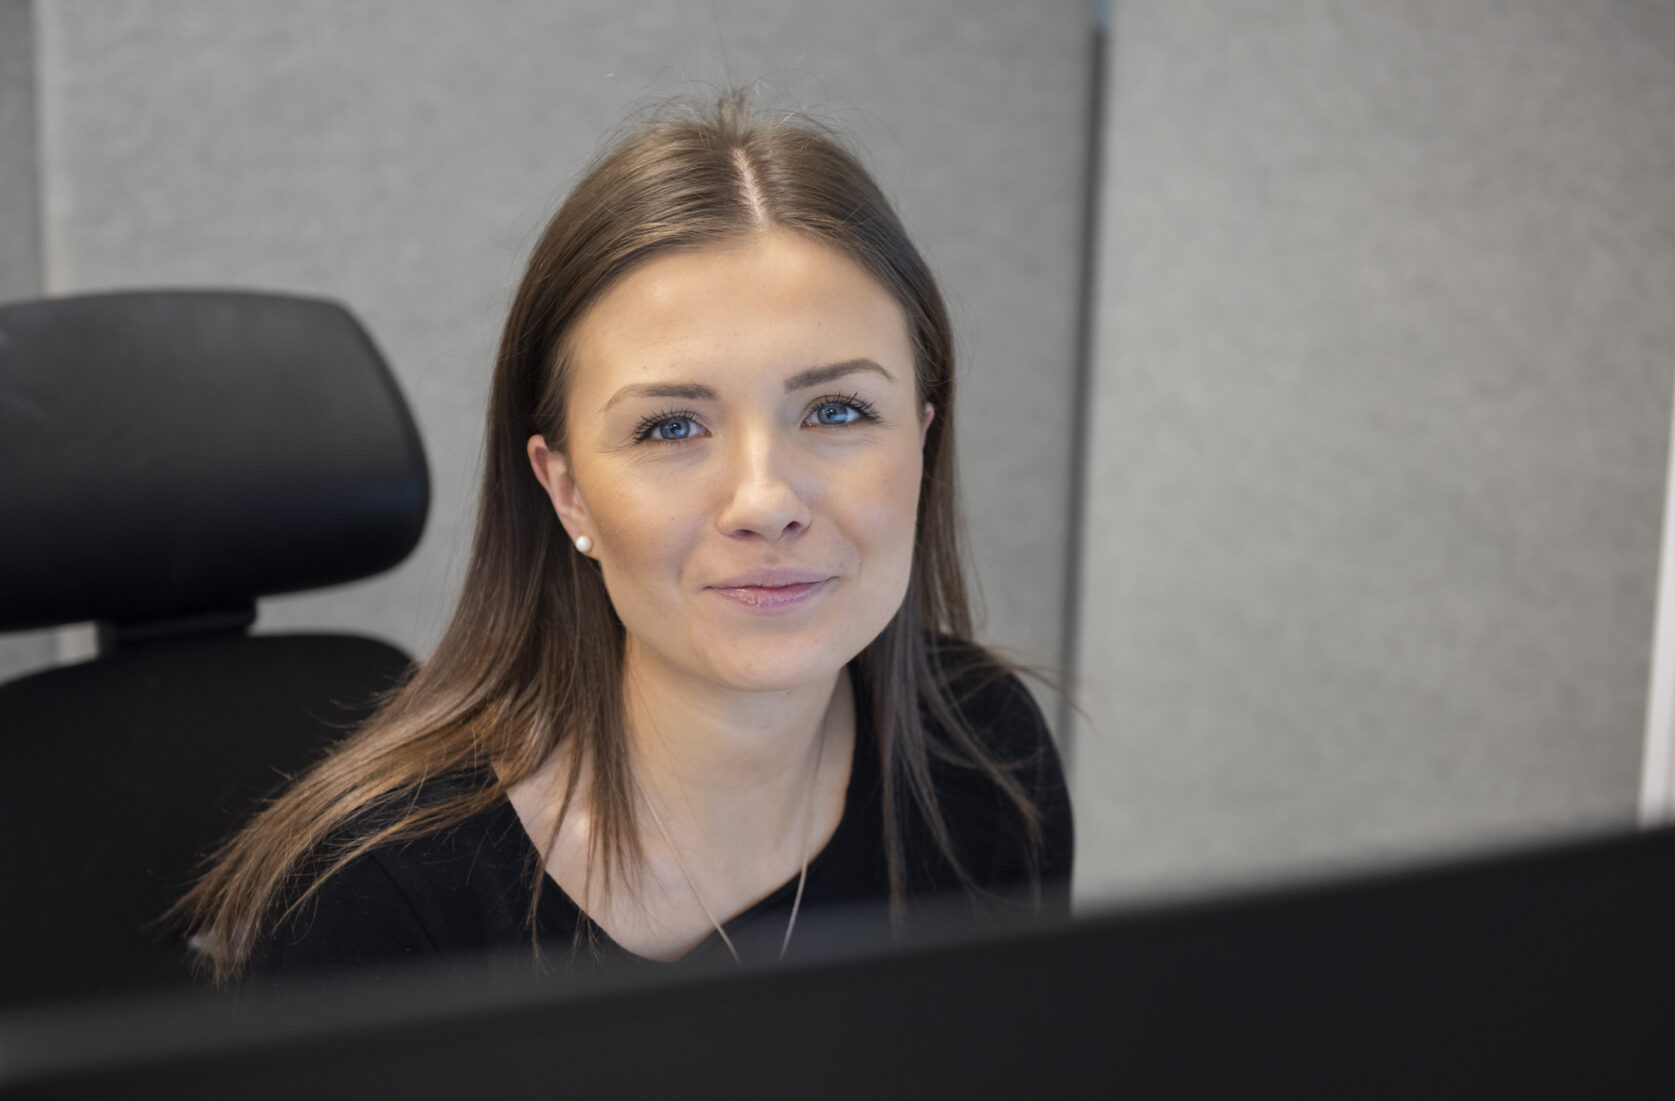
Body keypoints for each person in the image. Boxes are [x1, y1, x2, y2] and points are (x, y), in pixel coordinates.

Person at [178, 94, 1073, 980]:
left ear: (922, 442)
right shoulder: (374, 899)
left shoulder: (984, 753)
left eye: (836, 410)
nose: (765, 501)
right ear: (567, 494)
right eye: (671, 427)